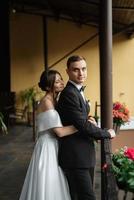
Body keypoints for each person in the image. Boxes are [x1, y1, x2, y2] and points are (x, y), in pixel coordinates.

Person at [57, 55, 116, 200]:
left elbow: (81, 117)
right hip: (75, 157)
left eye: (83, 69)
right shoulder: (69, 93)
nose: (81, 73)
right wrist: (106, 134)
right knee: (86, 197)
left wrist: (89, 118)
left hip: (83, 154)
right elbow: (81, 125)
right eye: (76, 70)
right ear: (68, 71)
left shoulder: (77, 90)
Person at [19, 70, 78, 200]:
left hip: (53, 144)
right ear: (47, 87)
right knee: (49, 181)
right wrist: (82, 126)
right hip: (47, 147)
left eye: (61, 79)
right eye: (57, 81)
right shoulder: (47, 102)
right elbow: (60, 132)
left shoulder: (54, 100)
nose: (62, 82)